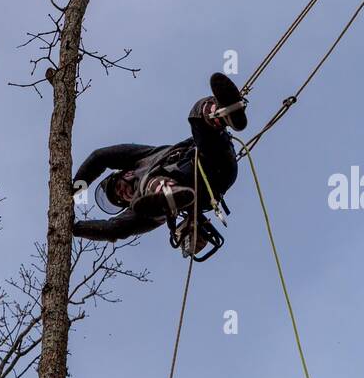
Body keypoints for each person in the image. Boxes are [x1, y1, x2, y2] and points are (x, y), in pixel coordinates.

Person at [72, 73, 248, 256]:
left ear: (125, 173)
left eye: (118, 188)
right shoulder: (142, 208)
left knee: (196, 114)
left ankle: (225, 112)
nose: (122, 194)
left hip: (208, 155)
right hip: (208, 188)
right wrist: (75, 228)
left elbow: (100, 157)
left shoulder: (142, 158)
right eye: (121, 200)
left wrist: (74, 190)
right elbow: (115, 229)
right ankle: (168, 193)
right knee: (147, 187)